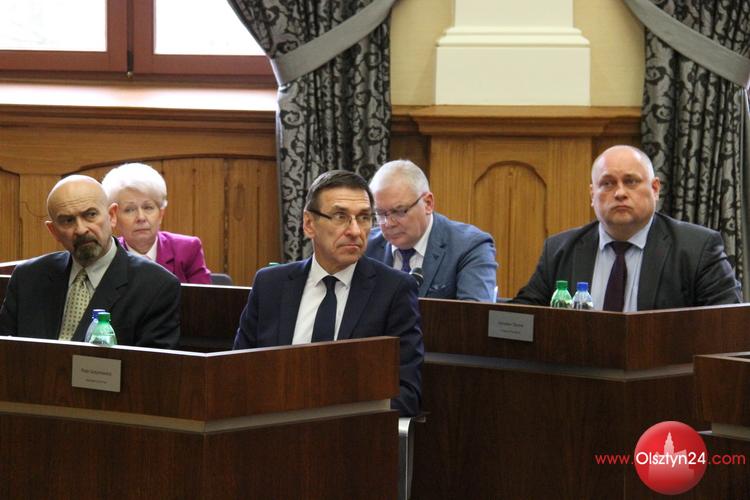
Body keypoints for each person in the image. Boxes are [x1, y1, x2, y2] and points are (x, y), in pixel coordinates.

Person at [233, 170, 424, 416]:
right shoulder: (271, 285)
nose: (355, 230)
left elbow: (407, 394)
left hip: (349, 431)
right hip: (271, 426)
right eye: (340, 216)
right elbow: (237, 375)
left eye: (364, 218)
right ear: (309, 224)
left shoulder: (393, 290)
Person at [513, 145, 742, 310]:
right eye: (608, 183)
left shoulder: (697, 249)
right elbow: (523, 316)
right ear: (592, 195)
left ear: (655, 189)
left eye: (631, 181)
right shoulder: (560, 250)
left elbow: (727, 325)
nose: (620, 193)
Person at [0, 175, 181, 348]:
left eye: (90, 215)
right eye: (68, 220)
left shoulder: (156, 286)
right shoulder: (28, 278)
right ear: (53, 231)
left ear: (112, 216)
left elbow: (153, 366)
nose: (81, 229)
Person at [365, 159, 498, 302]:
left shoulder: (469, 246)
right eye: (380, 213)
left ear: (428, 203)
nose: (388, 223)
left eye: (399, 211)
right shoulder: (365, 247)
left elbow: (473, 313)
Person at [101, 162, 212, 284]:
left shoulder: (188, 249)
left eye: (148, 207)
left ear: (161, 214)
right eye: (129, 210)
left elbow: (203, 296)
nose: (141, 218)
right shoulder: (107, 257)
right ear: (113, 217)